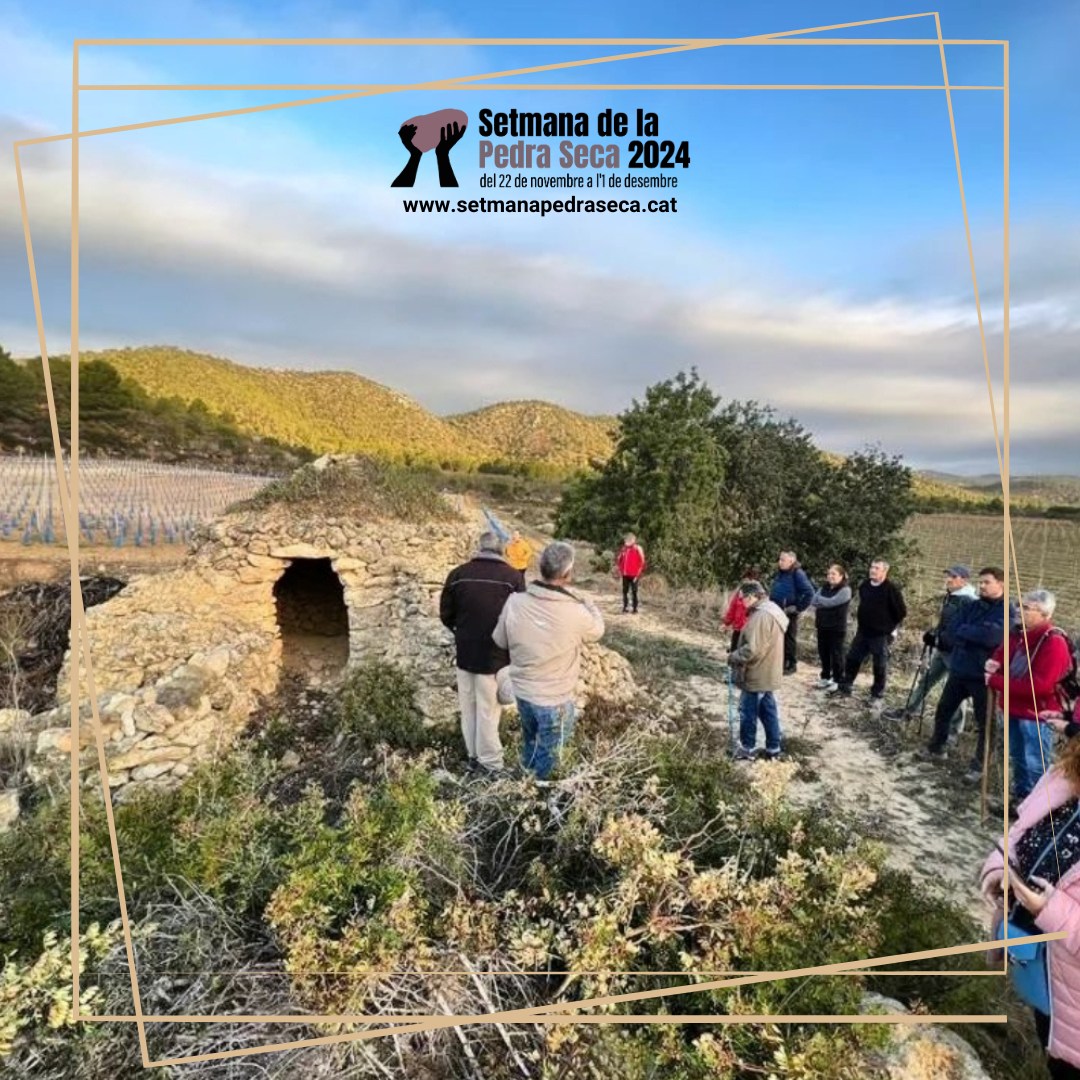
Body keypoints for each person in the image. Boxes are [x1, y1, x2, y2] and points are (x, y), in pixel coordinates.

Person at [980, 736, 1080, 1078]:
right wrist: (998, 865)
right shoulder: (1065, 775)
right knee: (1051, 1049)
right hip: (1044, 969)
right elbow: (1019, 832)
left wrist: (1050, 910)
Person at [493, 541, 605, 780]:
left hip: (523, 693)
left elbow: (500, 641)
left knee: (531, 745)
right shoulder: (576, 612)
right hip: (555, 699)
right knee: (553, 758)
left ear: (540, 567)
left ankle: (522, 789)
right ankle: (540, 801)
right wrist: (591, 606)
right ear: (567, 574)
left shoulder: (514, 602)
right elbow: (597, 632)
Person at [439, 531, 526, 776]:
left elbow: (446, 614)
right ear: (502, 551)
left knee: (469, 708)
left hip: (465, 654)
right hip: (496, 658)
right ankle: (491, 764)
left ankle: (473, 757)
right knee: (488, 711)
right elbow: (519, 619)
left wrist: (463, 632)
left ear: (479, 548)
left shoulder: (457, 575)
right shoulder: (512, 577)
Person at [920, 567, 1008, 782]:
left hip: (983, 676)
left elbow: (992, 637)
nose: (982, 586)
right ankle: (937, 747)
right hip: (960, 669)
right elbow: (952, 630)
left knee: (985, 723)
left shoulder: (1008, 611)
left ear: (1001, 585)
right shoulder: (972, 605)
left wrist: (967, 631)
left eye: (987, 582)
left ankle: (979, 766)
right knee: (943, 710)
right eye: (981, 582)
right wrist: (972, 631)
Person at [986, 588, 1073, 803]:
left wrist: (995, 681)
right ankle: (1021, 800)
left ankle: (1040, 807)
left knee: (1036, 763)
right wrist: (994, 662)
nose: (1019, 610)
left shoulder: (1054, 643)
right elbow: (1003, 653)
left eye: (1026, 608)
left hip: (1035, 714)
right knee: (1018, 757)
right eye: (1020, 605)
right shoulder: (1018, 634)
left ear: (1045, 615)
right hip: (1011, 708)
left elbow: (1040, 687)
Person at [888, 565, 976, 724]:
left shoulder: (968, 600)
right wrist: (934, 634)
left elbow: (966, 630)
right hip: (943, 650)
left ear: (964, 580)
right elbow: (946, 622)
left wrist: (944, 640)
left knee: (955, 691)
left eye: (953, 577)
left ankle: (953, 732)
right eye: (948, 575)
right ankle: (908, 711)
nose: (948, 579)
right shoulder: (952, 595)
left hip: (957, 654)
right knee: (926, 680)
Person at [829, 558, 907, 704]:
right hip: (863, 631)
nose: (872, 570)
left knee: (879, 664)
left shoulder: (891, 589)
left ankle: (876, 695)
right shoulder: (865, 585)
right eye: (872, 567)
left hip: (880, 634)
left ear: (885, 571)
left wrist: (889, 629)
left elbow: (901, 612)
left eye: (877, 568)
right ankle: (845, 687)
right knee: (852, 658)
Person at [728, 581, 789, 761]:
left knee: (748, 712)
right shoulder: (773, 609)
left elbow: (752, 649)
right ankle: (773, 747)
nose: (741, 603)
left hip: (757, 672)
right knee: (768, 710)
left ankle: (747, 748)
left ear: (752, 596)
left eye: (742, 599)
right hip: (768, 671)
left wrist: (733, 656)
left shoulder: (761, 616)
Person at [769, 551, 814, 675]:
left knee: (789, 638)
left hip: (788, 611)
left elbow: (809, 592)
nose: (780, 562)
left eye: (783, 560)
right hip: (776, 609)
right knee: (778, 636)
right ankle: (779, 662)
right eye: (780, 559)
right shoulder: (781, 573)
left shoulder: (797, 573)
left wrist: (798, 607)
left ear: (791, 561)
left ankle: (791, 664)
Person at [809, 563, 852, 691]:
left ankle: (837, 679)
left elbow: (832, 602)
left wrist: (821, 601)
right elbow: (813, 601)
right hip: (822, 625)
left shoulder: (845, 590)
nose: (830, 576)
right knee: (823, 653)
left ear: (841, 576)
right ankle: (825, 677)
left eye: (833, 574)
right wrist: (823, 602)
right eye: (829, 574)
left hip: (836, 628)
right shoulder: (824, 587)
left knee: (837, 655)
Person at [723, 566, 760, 651]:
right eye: (745, 580)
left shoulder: (758, 595)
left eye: (750, 580)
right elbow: (732, 608)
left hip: (748, 631)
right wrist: (726, 623)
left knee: (743, 653)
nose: (746, 583)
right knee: (733, 651)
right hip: (737, 628)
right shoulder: (739, 592)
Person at [616, 533, 647, 614]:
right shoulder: (624, 549)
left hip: (634, 575)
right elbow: (619, 560)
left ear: (633, 540)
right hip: (625, 574)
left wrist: (638, 574)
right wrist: (620, 571)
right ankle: (625, 607)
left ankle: (635, 608)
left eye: (628, 540)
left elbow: (642, 562)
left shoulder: (637, 548)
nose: (626, 542)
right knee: (625, 591)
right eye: (625, 540)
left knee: (634, 591)